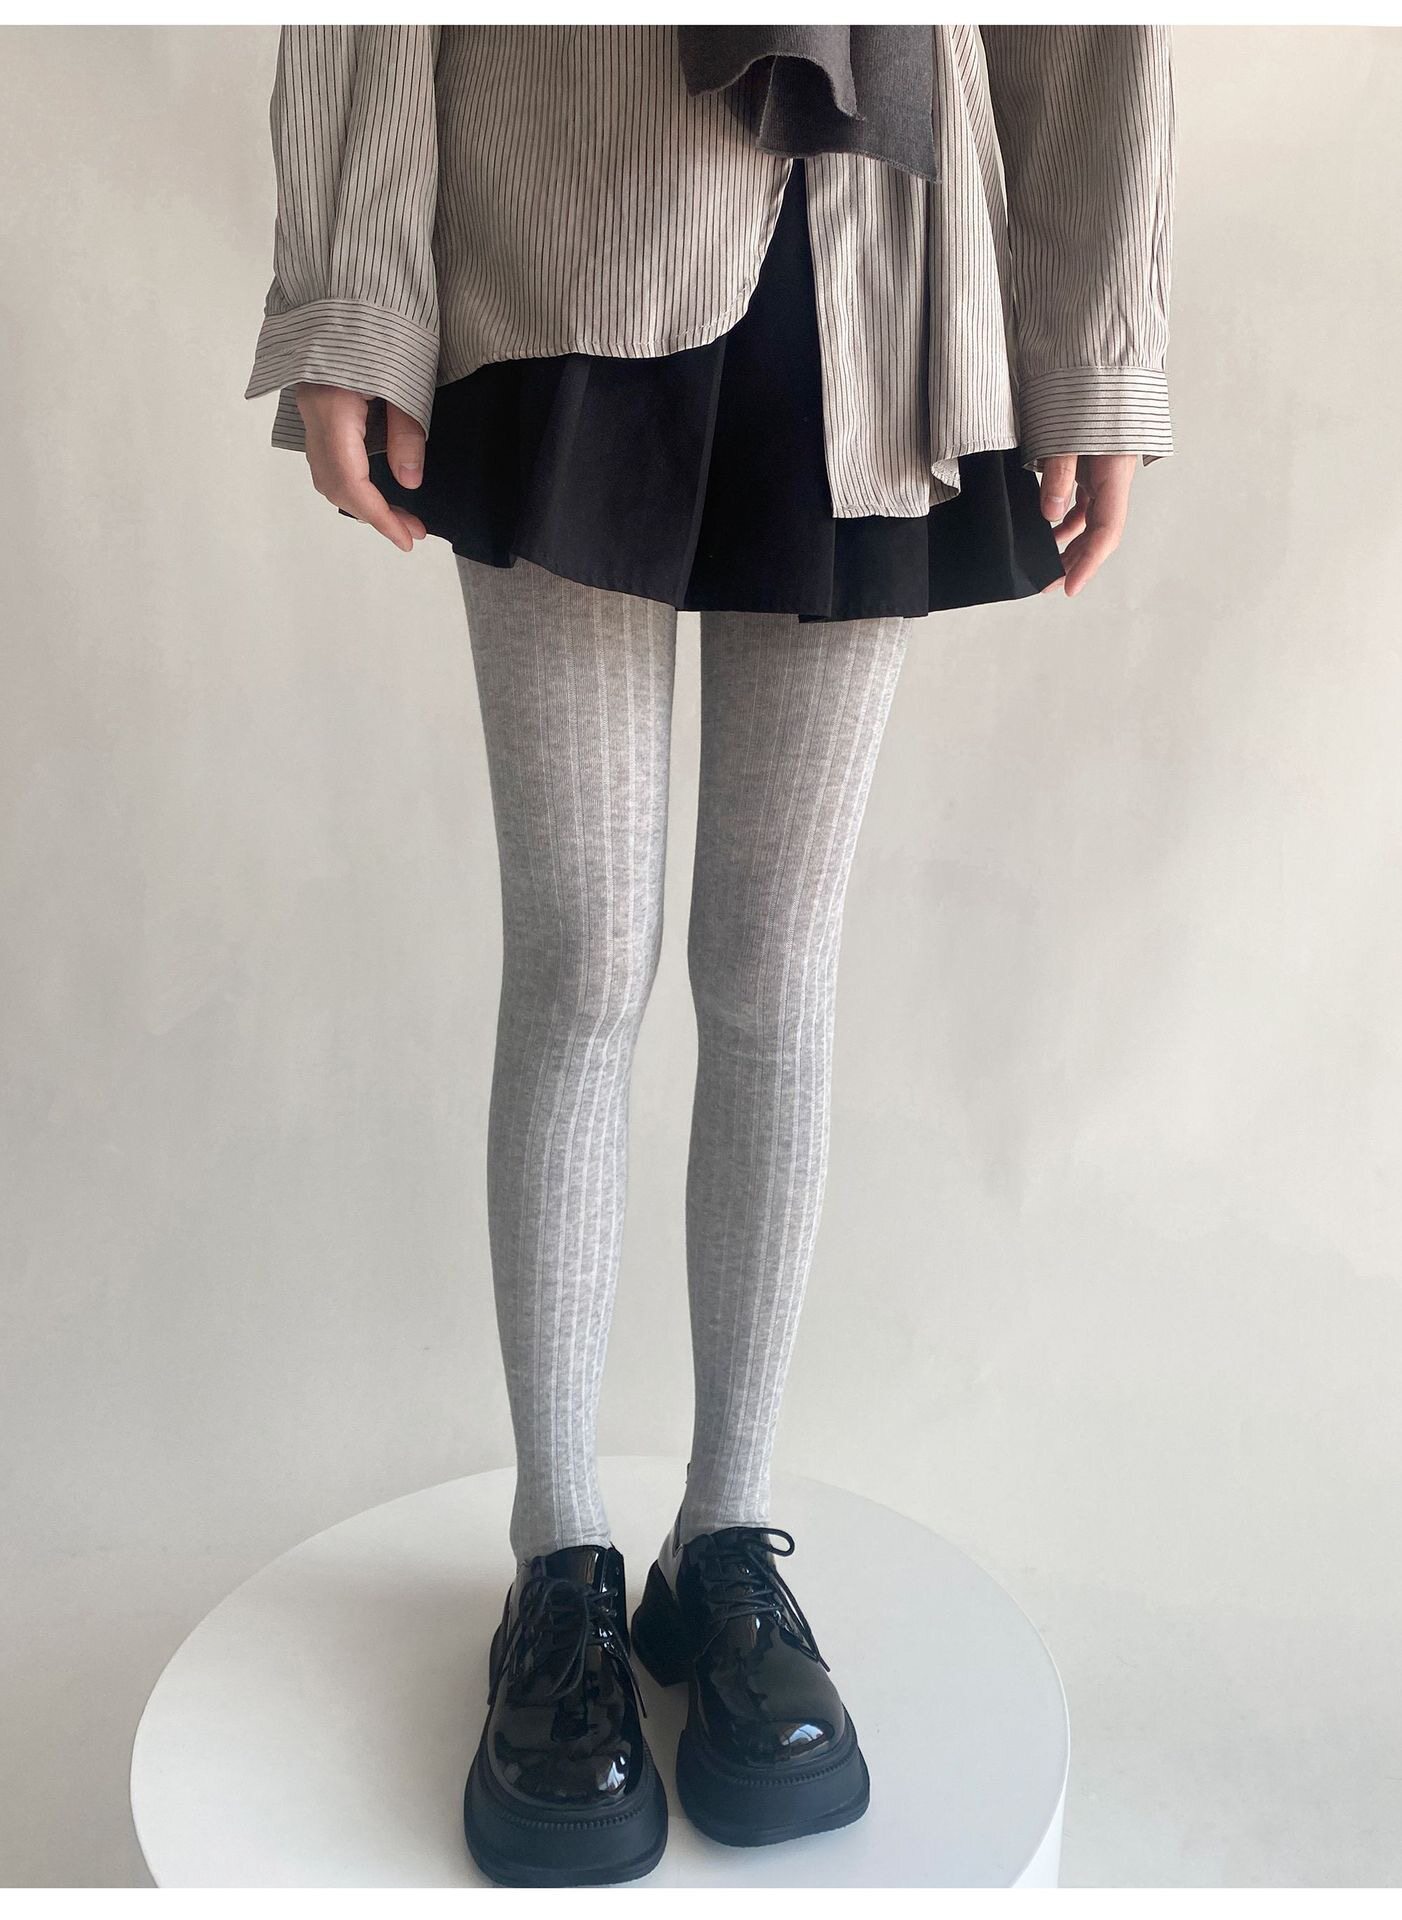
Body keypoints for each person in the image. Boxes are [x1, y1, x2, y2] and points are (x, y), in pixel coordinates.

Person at [244, 24, 1175, 1886]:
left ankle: (723, 1542)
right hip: (552, 223)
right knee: (582, 955)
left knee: (774, 966)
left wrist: (1094, 341)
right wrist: (355, 294)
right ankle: (558, 1555)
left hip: (882, 266)